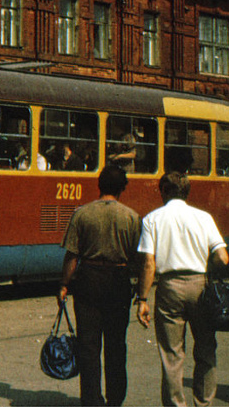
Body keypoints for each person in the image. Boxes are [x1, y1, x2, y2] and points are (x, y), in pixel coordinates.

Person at [135, 172, 229, 407]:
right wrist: (207, 271)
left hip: (169, 287)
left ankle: (177, 404)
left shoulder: (152, 219)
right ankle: (204, 402)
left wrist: (142, 299)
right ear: (187, 192)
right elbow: (223, 257)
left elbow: (149, 263)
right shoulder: (204, 217)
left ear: (164, 191)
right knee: (206, 349)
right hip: (200, 285)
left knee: (172, 355)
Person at [58, 163, 141, 406]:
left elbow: (72, 256)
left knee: (89, 346)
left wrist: (64, 284)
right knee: (116, 345)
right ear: (122, 189)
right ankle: (115, 400)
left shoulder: (82, 214)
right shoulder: (132, 217)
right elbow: (138, 259)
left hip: (88, 280)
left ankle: (92, 401)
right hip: (118, 281)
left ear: (99, 185)